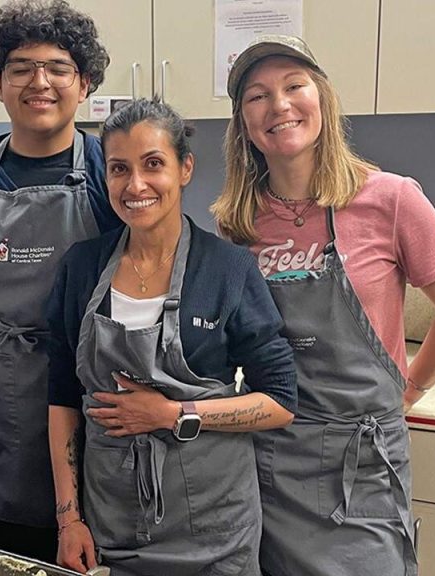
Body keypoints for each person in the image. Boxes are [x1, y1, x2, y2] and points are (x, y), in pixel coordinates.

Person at [214, 35, 435, 575]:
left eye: (295, 85)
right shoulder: (236, 220)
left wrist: (410, 391)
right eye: (258, 96)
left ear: (323, 99)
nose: (280, 105)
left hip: (362, 461)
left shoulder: (391, 198)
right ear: (244, 123)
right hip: (275, 452)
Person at [46, 97, 298, 575]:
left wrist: (171, 413)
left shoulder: (228, 269)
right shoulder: (81, 268)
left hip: (213, 527)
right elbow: (62, 398)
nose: (135, 185)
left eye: (153, 164)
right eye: (119, 168)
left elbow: (280, 401)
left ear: (185, 168)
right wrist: (68, 519)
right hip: (112, 523)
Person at [0, 0, 120, 562]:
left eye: (58, 67)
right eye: (20, 67)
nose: (40, 82)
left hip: (96, 412)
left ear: (83, 83)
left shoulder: (115, 174)